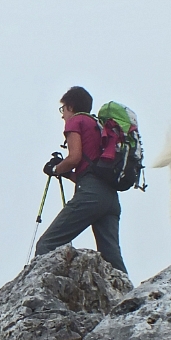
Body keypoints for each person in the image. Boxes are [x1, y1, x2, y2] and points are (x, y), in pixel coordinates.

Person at [34, 86, 128, 273]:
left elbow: (75, 158)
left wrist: (55, 168)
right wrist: (65, 172)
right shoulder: (97, 125)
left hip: (91, 195)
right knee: (112, 257)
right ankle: (131, 299)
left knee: (47, 244)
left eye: (63, 110)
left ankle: (46, 295)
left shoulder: (76, 122)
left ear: (70, 106)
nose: (63, 116)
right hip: (110, 197)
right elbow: (87, 171)